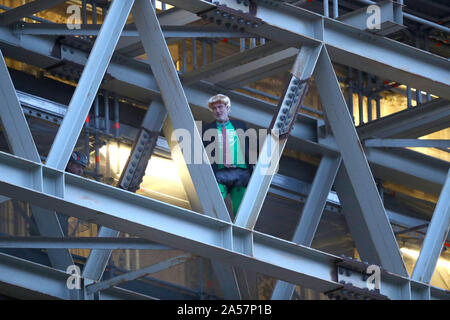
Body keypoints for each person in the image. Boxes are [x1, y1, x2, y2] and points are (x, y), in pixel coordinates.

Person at [202, 94, 255, 218]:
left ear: (227, 108)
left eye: (220, 107)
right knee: (213, 204)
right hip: (219, 174)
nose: (218, 111)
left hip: (241, 172)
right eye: (214, 109)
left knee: (241, 210)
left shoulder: (240, 125)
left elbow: (250, 146)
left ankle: (239, 231)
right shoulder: (207, 129)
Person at [59, 151, 88, 235]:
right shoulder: (60, 179)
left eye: (83, 168)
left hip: (62, 224)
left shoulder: (77, 186)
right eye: (78, 166)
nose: (80, 171)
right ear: (69, 165)